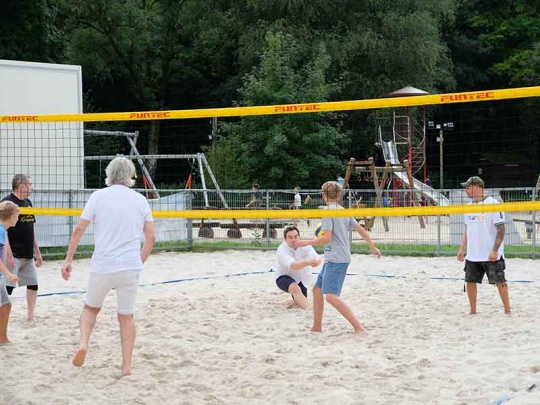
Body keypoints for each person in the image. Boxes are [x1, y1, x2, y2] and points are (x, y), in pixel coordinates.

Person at [61, 157, 156, 376]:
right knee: (126, 317)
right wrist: (138, 262)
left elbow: (79, 229)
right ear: (131, 175)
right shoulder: (140, 199)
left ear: (109, 174)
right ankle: (126, 366)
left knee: (90, 308)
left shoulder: (98, 196)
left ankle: (84, 343)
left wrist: (68, 259)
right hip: (129, 267)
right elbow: (151, 237)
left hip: (103, 264)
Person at [295, 181, 381, 334]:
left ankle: (359, 328)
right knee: (316, 290)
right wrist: (373, 247)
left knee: (331, 297)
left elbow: (326, 238)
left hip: (336, 258)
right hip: (336, 257)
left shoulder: (328, 212)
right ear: (340, 195)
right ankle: (317, 326)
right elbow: (362, 231)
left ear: (323, 196)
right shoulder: (343, 211)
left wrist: (305, 242)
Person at [457, 176, 511, 315]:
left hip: (490, 253)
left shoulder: (493, 204)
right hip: (473, 254)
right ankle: (473, 311)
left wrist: (494, 251)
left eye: (467, 188)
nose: (466, 191)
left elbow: (501, 230)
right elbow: (467, 230)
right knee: (469, 281)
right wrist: (462, 249)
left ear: (476, 187)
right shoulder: (469, 207)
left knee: (500, 281)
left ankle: (507, 310)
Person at [2, 174, 43, 321]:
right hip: (13, 254)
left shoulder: (28, 202)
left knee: (33, 285)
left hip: (27, 254)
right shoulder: (7, 202)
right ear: (22, 186)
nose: (32, 187)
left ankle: (30, 316)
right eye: (30, 185)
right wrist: (7, 253)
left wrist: (37, 252)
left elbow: (31, 229)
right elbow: (2, 229)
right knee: (7, 288)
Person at [276, 225, 321, 310]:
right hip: (283, 277)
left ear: (299, 237)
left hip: (300, 279)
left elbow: (317, 257)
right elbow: (294, 265)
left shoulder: (305, 245)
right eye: (290, 237)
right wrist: (308, 262)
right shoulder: (281, 250)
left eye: (295, 237)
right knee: (295, 288)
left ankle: (285, 302)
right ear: (285, 239)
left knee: (299, 298)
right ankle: (309, 310)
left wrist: (316, 262)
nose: (293, 239)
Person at [0, 201, 21, 344]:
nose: (18, 219)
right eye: (17, 216)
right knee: (5, 304)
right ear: (12, 215)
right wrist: (7, 273)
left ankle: (3, 338)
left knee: (6, 304)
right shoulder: (1, 230)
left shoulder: (2, 230)